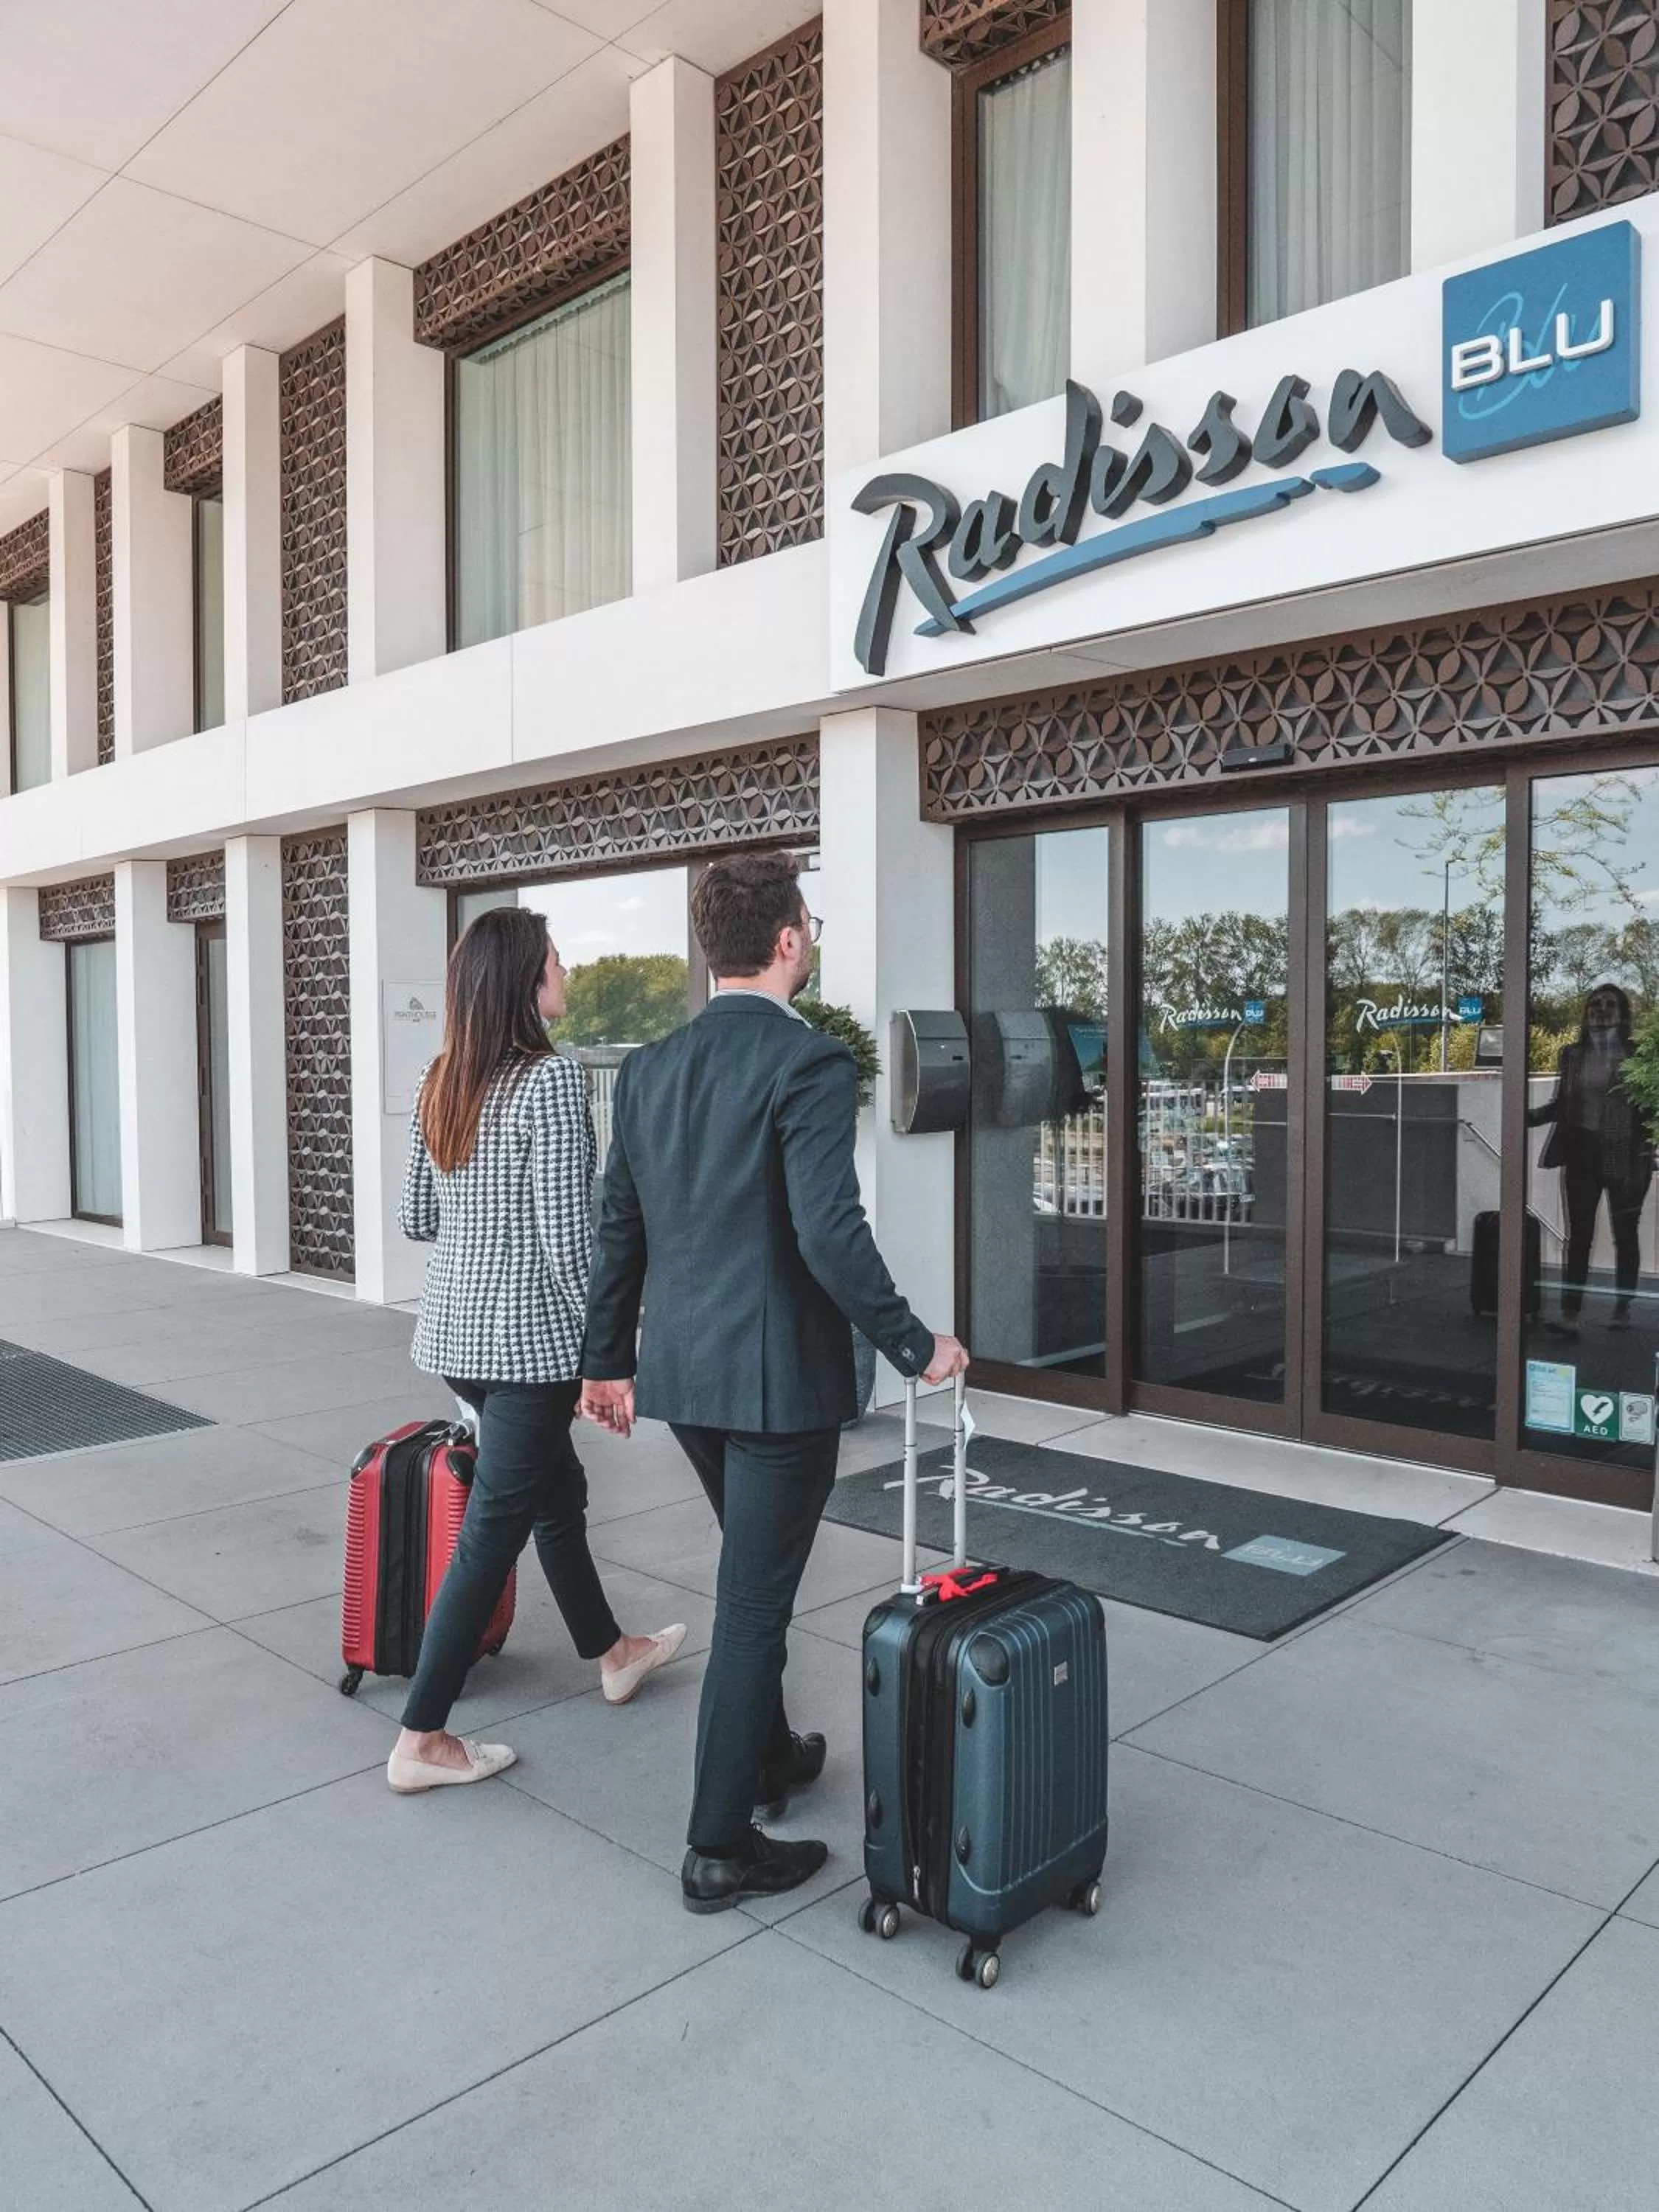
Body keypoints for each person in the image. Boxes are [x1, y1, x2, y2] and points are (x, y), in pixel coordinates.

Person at [580, 852, 968, 1913]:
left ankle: (769, 1759)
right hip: (776, 1387)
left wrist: (606, 1358)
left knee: (754, 1581)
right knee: (752, 1605)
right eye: (812, 925)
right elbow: (827, 1234)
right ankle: (718, 1846)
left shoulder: (652, 1065)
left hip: (685, 1375)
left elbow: (621, 1225)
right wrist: (913, 1342)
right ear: (789, 942)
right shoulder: (810, 1065)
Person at [386, 907, 685, 1795]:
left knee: (557, 1493)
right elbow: (569, 1241)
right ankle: (423, 1735)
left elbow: (418, 1218)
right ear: (527, 980)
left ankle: (615, 1652)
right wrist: (612, 1352)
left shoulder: (442, 1077)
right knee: (496, 1530)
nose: (567, 970)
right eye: (557, 957)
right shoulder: (550, 1084)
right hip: (528, 1348)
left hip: (455, 1335)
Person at [1528, 981, 1655, 1340]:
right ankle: (1571, 1315)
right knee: (1579, 1234)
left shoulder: (1637, 1057)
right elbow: (1562, 1105)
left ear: (1623, 1013)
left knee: (1625, 1234)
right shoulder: (1571, 1054)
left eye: (1609, 1004)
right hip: (1581, 1152)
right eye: (1594, 1004)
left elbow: (1649, 1108)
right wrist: (1523, 1116)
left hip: (1628, 1155)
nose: (1600, 1009)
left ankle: (1622, 1307)